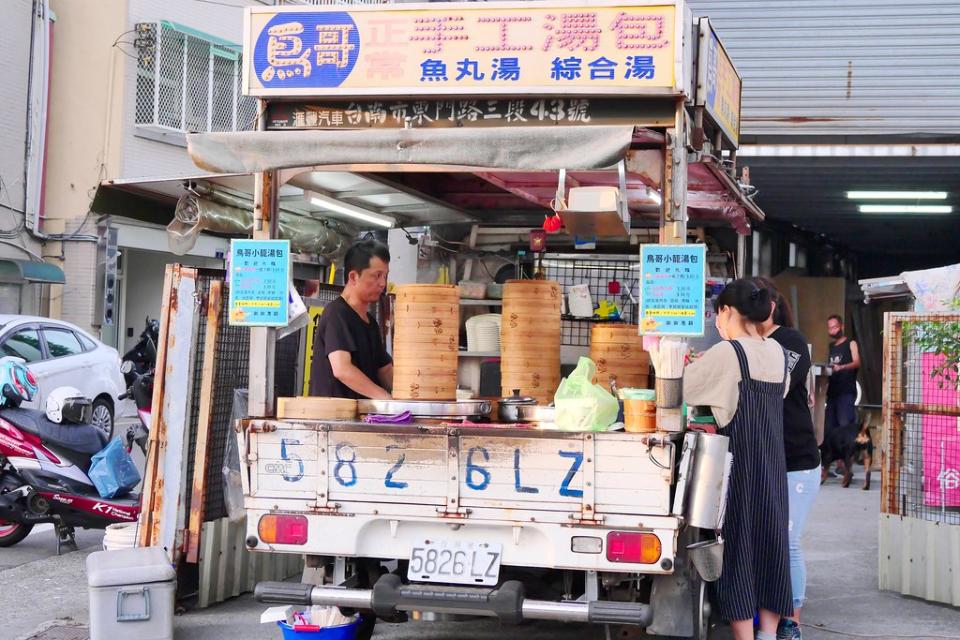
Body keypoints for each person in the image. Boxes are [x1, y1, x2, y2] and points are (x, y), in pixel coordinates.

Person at [683, 279, 792, 640]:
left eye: (718, 314)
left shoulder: (729, 353)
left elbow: (682, 387)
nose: (717, 321)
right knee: (771, 548)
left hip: (741, 470)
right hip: (773, 467)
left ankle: (746, 637)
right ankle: (768, 634)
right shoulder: (777, 351)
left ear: (728, 311)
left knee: (740, 551)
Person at [754, 278, 821, 640]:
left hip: (797, 460)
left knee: (787, 540)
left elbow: (777, 386)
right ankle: (766, 619)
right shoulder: (746, 343)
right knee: (768, 541)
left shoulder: (789, 341)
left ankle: (791, 623)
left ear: (771, 305)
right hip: (764, 459)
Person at [309, 239, 393, 400]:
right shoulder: (337, 314)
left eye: (385, 276)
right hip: (333, 420)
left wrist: (413, 393)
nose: (383, 283)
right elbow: (342, 369)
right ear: (353, 277)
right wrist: (384, 398)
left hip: (361, 419)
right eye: (377, 276)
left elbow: (384, 370)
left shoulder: (370, 322)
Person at [822, 314, 860, 482]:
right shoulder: (831, 346)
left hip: (846, 392)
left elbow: (857, 362)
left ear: (842, 326)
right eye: (830, 328)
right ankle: (838, 464)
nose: (832, 330)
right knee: (831, 429)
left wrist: (842, 367)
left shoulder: (850, 343)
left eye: (835, 327)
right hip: (832, 393)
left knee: (846, 428)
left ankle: (847, 466)